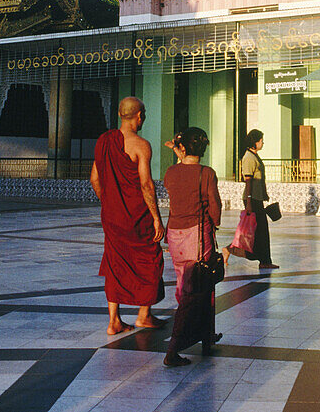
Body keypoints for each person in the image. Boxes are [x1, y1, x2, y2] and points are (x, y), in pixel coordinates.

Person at [90, 97, 166, 335]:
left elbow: (94, 178)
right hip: (137, 216)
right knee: (151, 260)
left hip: (113, 217)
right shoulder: (141, 145)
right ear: (139, 116)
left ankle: (114, 321)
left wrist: (109, 202)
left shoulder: (104, 141)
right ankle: (144, 315)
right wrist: (156, 217)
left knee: (115, 264)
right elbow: (146, 185)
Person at [163, 127, 222, 367]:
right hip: (196, 236)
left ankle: (206, 336)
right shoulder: (206, 173)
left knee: (187, 283)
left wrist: (179, 153)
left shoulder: (170, 172)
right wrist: (215, 223)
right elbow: (215, 206)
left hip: (174, 235)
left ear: (183, 147)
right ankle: (174, 347)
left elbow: (180, 174)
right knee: (199, 287)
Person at [225, 130, 278, 270]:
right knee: (257, 233)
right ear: (255, 141)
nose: (263, 143)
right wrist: (248, 201)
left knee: (260, 232)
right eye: (261, 140)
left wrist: (264, 193)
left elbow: (259, 178)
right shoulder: (248, 157)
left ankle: (264, 260)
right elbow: (248, 181)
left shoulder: (255, 156)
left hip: (257, 198)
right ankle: (231, 250)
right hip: (252, 199)